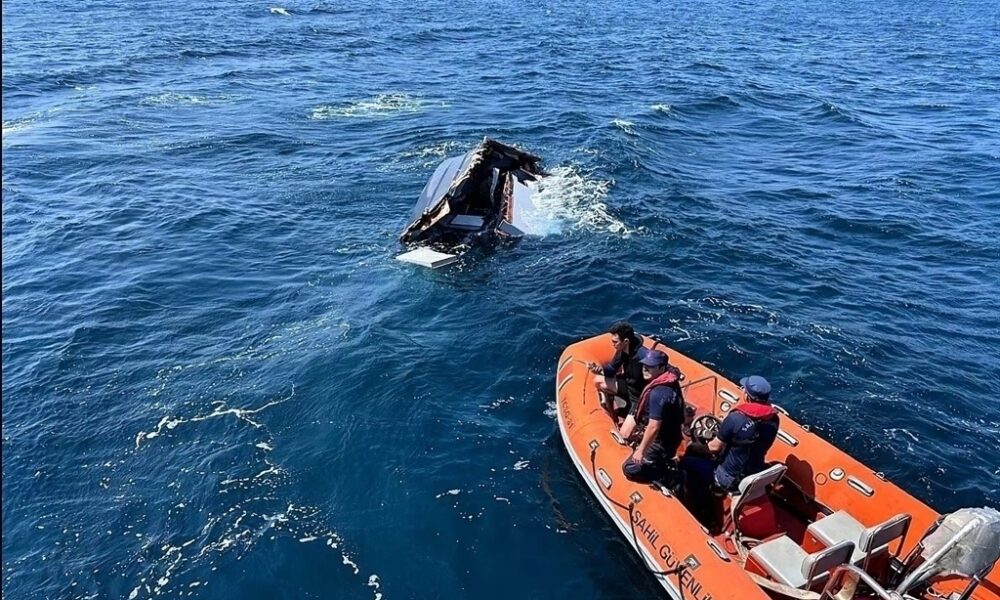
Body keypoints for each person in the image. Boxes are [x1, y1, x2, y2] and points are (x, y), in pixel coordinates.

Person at [680, 375, 780, 525]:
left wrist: (694, 446)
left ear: (747, 396)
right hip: (753, 471)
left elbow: (714, 448)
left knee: (686, 462)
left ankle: (703, 511)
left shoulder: (735, 419)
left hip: (728, 478)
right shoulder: (774, 420)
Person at [619, 350, 685, 484]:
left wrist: (641, 450)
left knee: (629, 469)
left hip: (661, 443)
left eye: (650, 366)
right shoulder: (671, 379)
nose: (645, 368)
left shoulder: (658, 393)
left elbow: (654, 427)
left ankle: (664, 476)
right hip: (673, 435)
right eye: (644, 365)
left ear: (661, 368)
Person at [587, 321, 649, 420]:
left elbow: (659, 369)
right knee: (598, 381)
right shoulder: (621, 351)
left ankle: (635, 414)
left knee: (628, 428)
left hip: (639, 395)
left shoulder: (643, 355)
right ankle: (611, 413)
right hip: (628, 386)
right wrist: (599, 370)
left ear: (626, 341)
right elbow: (611, 369)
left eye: (615, 342)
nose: (613, 344)